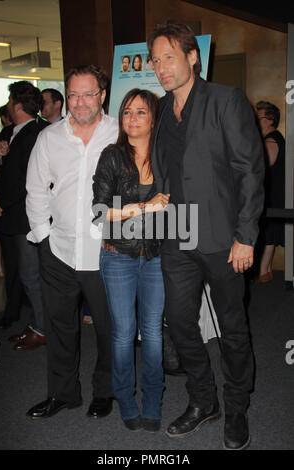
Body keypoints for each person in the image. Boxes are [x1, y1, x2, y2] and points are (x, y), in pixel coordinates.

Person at [147, 20, 264, 450]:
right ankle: (203, 400)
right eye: (156, 60)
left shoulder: (225, 100)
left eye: (169, 57)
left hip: (222, 237)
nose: (161, 67)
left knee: (232, 327)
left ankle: (236, 408)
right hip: (177, 236)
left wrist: (246, 235)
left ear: (193, 57)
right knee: (179, 324)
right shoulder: (161, 111)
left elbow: (250, 171)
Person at [25, 65, 118, 420]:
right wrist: (44, 237)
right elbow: (35, 190)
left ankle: (105, 392)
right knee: (61, 328)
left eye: (88, 94)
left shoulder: (119, 132)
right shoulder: (49, 137)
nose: (80, 102)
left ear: (102, 96)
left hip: (106, 253)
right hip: (59, 251)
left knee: (111, 330)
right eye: (74, 94)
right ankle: (63, 394)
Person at [93, 88, 167, 432]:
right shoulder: (112, 155)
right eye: (126, 112)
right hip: (117, 256)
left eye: (140, 112)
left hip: (154, 256)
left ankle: (153, 399)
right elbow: (98, 211)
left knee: (152, 332)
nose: (132, 118)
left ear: (154, 116)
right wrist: (143, 207)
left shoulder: (165, 155)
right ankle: (124, 398)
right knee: (124, 334)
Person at [0, 82, 49, 350]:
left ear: (17, 105)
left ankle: (42, 328)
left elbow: (29, 180)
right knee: (30, 275)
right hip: (19, 216)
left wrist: (0, 201)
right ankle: (39, 324)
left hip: (28, 217)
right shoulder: (13, 132)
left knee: (32, 274)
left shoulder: (37, 133)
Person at [254, 101, 285, 282]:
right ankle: (265, 270)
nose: (256, 121)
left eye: (259, 118)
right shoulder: (275, 138)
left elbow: (262, 166)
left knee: (268, 232)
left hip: (271, 194)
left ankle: (263, 271)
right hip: (274, 193)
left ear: (270, 120)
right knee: (269, 231)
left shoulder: (271, 140)